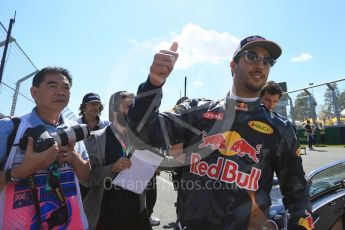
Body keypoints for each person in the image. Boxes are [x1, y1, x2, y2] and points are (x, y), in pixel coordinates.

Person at [128, 36, 313, 229]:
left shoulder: (280, 128)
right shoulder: (197, 111)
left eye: (268, 61)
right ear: (233, 65)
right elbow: (143, 134)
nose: (261, 64)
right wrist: (153, 85)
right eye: (252, 56)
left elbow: (298, 195)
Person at [0, 67, 90, 229]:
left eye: (66, 88)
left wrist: (74, 158)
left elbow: (85, 175)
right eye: (52, 86)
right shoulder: (9, 129)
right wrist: (20, 171)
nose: (61, 92)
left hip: (73, 224)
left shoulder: (74, 131)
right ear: (34, 93)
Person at [82, 91, 152, 230]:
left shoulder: (140, 139)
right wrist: (112, 168)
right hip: (106, 215)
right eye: (129, 106)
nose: (135, 112)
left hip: (136, 212)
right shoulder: (94, 139)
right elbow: (87, 179)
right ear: (114, 110)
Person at [77, 92, 110, 199]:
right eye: (92, 104)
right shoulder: (74, 125)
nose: (95, 107)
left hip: (102, 173)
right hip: (81, 175)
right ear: (83, 107)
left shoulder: (107, 126)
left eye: (97, 104)